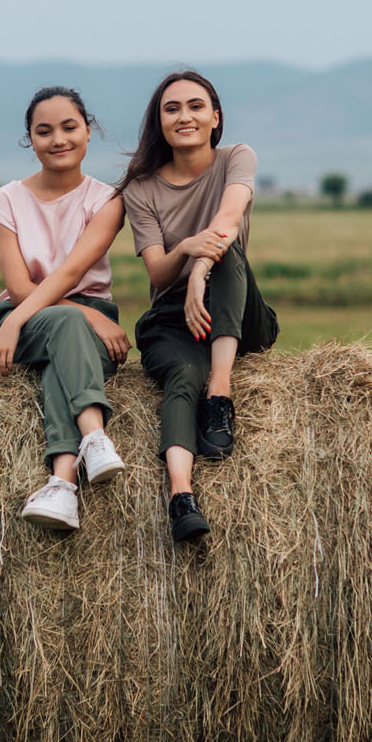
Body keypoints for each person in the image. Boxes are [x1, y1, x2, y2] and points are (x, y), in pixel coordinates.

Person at [118, 70, 278, 543]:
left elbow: (228, 221)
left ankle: (221, 396)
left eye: (194, 106)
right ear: (159, 123)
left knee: (227, 251)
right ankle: (181, 495)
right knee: (183, 376)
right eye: (172, 109)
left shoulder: (237, 158)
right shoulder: (141, 188)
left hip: (238, 307)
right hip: (172, 323)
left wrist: (201, 271)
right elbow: (157, 275)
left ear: (215, 117)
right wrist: (186, 249)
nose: (184, 116)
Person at [0, 86, 130, 532]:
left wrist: (88, 313)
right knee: (64, 322)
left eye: (69, 127)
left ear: (89, 131)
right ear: (30, 139)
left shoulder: (105, 200)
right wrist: (14, 326)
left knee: (56, 365)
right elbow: (20, 287)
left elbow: (68, 275)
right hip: (30, 315)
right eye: (43, 131)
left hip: (89, 324)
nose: (58, 139)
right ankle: (94, 436)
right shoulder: (7, 200)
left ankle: (62, 483)